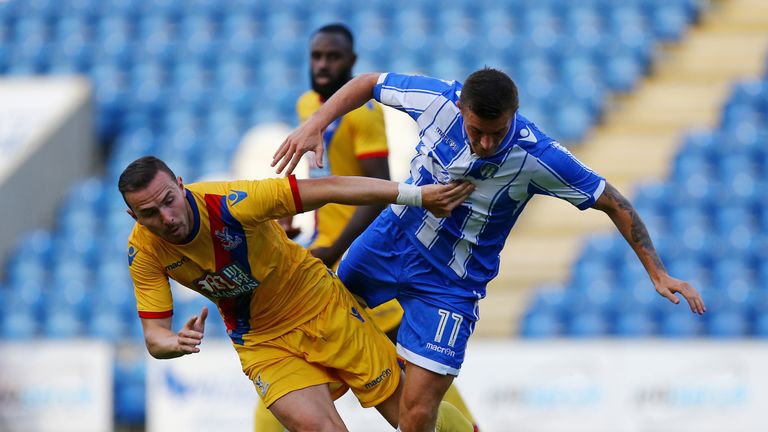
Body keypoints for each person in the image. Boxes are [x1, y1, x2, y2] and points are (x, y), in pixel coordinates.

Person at [273, 68, 708, 432]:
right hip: (392, 241)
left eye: (496, 133)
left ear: (513, 116)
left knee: (417, 412)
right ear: (461, 108)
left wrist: (658, 272)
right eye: (476, 131)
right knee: (319, 320)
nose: (485, 143)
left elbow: (614, 201)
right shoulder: (437, 101)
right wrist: (315, 124)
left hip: (449, 285)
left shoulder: (538, 155)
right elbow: (370, 81)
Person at [119, 156, 475, 431]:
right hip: (262, 340)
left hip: (321, 306)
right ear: (132, 214)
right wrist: (175, 342)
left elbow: (333, 187)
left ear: (181, 186)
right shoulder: (144, 252)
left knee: (409, 415)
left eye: (169, 200)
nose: (166, 218)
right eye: (149, 213)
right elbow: (154, 338)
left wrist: (418, 196)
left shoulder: (232, 202)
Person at [258, 24, 481, 432]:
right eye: (317, 56)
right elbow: (324, 182)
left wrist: (337, 248)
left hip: (358, 263)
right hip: (326, 259)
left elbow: (380, 191)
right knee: (291, 381)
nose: (323, 65)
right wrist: (294, 221)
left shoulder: (364, 116)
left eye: (333, 57)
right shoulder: (307, 104)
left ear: (352, 62)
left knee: (421, 389)